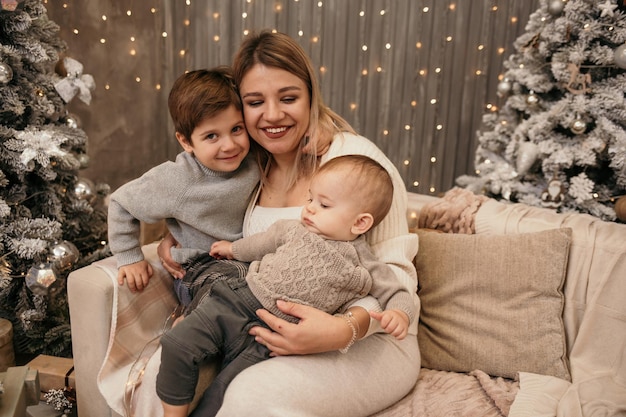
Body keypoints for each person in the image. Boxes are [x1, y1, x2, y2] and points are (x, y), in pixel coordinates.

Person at [159, 30, 420, 417]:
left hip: (371, 339)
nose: (273, 115)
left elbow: (394, 277)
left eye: (288, 98)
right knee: (181, 377)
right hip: (266, 325)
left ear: (310, 96)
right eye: (254, 102)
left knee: (253, 396)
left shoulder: (356, 162)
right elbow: (206, 211)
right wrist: (174, 234)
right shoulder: (248, 166)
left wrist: (342, 329)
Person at [157, 154, 415, 417]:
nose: (310, 208)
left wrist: (400, 313)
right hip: (236, 301)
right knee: (177, 344)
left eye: (324, 205)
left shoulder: (363, 264)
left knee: (226, 393)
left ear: (360, 222)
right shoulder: (293, 229)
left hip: (272, 340)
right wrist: (232, 248)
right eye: (310, 199)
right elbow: (260, 244)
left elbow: (397, 291)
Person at [108, 67, 259, 301]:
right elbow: (121, 203)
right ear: (186, 141)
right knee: (229, 296)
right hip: (200, 269)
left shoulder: (254, 160)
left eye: (236, 129)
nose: (230, 145)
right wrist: (130, 257)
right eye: (211, 136)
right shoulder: (179, 178)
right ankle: (188, 328)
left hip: (244, 263)